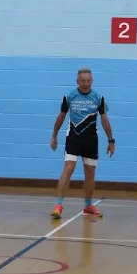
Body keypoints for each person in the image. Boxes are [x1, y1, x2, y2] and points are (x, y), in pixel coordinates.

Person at [50, 68, 115, 218]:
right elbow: (61, 116)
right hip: (73, 137)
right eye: (83, 81)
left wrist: (111, 140)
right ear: (77, 81)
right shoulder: (70, 96)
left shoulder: (99, 98)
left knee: (90, 172)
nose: (86, 83)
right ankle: (58, 205)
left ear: (92, 81)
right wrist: (54, 136)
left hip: (91, 139)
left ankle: (88, 205)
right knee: (69, 167)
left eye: (88, 81)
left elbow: (104, 120)